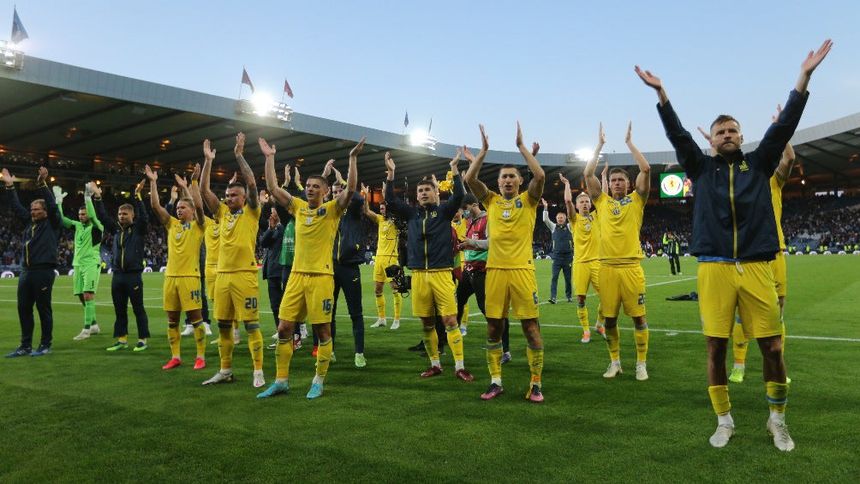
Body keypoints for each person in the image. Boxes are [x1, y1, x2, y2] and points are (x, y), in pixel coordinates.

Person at [636, 38, 832, 451]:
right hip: (714, 268)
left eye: (732, 130)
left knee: (773, 347)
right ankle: (724, 421)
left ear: (742, 136)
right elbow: (677, 135)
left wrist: (804, 77)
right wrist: (662, 94)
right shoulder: (700, 168)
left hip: (758, 266)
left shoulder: (758, 164)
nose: (726, 135)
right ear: (711, 140)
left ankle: (777, 420)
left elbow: (785, 126)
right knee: (716, 348)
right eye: (720, 131)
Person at [257, 136, 362, 400]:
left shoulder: (332, 210)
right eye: (308, 186)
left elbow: (350, 189)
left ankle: (318, 381)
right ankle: (281, 381)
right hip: (295, 277)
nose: (311, 189)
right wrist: (270, 158)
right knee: (284, 329)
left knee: (322, 331)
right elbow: (272, 187)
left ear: (325, 191)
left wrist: (352, 158)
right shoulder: (298, 207)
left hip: (321, 277)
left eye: (316, 186)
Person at [697, 123, 796, 384]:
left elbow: (789, 158)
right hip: (744, 255)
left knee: (776, 315)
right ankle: (739, 364)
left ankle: (778, 362)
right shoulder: (737, 179)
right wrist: (714, 147)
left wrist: (782, 132)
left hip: (773, 253)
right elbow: (719, 172)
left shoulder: (771, 178)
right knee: (740, 314)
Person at [463, 123, 546, 402]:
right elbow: (470, 179)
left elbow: (540, 175)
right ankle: (495, 381)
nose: (508, 180)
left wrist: (522, 148)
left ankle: (536, 384)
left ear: (519, 181)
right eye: (503, 177)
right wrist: (483, 151)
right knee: (493, 327)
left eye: (512, 176)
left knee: (531, 328)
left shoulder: (529, 200)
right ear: (498, 183)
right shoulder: (491, 201)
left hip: (522, 271)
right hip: (495, 272)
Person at [384, 150, 474, 383]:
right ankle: (435, 364)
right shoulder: (412, 214)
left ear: (436, 193)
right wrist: (391, 174)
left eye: (427, 190)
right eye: (420, 191)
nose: (423, 193)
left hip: (441, 274)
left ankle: (460, 366)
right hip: (419, 275)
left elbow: (459, 195)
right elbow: (390, 200)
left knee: (450, 321)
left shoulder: (443, 212)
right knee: (426, 323)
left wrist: (454, 169)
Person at [583, 122, 651, 381]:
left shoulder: (637, 199)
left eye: (621, 180)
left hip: (632, 268)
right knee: (609, 321)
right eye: (613, 180)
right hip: (607, 269)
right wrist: (599, 145)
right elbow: (588, 174)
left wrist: (629, 144)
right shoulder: (601, 201)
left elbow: (646, 169)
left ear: (628, 183)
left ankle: (641, 364)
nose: (617, 183)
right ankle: (615, 362)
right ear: (609, 184)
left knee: (639, 319)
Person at [200, 135, 265, 388]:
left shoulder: (252, 211)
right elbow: (204, 192)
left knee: (251, 325)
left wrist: (239, 155)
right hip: (222, 276)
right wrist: (208, 161)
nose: (228, 198)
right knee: (224, 327)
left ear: (244, 197)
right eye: (227, 195)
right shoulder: (222, 213)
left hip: (244, 275)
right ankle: (225, 370)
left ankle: (258, 371)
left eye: (233, 195)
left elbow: (252, 182)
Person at [144, 165, 207, 370]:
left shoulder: (198, 225)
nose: (179, 210)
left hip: (190, 278)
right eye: (178, 207)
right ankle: (175, 356)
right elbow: (155, 206)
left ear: (191, 211)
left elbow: (199, 207)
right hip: (170, 278)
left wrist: (191, 185)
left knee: (196, 319)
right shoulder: (171, 224)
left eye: (183, 207)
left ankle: (200, 356)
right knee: (172, 320)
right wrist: (153, 182)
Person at [2, 166, 62, 357]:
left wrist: (42, 183)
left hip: (43, 272)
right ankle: (25, 346)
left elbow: (52, 205)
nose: (33, 212)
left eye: (37, 210)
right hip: (26, 271)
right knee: (23, 309)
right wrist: (10, 186)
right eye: (32, 210)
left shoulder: (53, 223)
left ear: (45, 212)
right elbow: (16, 206)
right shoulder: (30, 223)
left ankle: (45, 344)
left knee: (43, 309)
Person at [93, 180, 152, 352]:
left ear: (132, 215)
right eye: (119, 214)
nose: (121, 216)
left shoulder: (139, 229)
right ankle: (122, 339)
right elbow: (102, 216)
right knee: (119, 310)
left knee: (138, 309)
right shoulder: (116, 230)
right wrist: (98, 197)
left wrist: (138, 196)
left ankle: (142, 340)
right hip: (117, 276)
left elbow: (144, 216)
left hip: (133, 276)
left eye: (125, 214)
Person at [328, 162, 368, 368]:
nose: (337, 194)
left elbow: (359, 198)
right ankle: (329, 350)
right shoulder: (327, 212)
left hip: (349, 267)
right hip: (329, 268)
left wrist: (344, 183)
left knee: (356, 313)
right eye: (334, 192)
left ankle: (359, 353)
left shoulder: (353, 211)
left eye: (340, 191)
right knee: (329, 313)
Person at [560, 173, 605, 344]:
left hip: (597, 263)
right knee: (581, 299)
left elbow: (604, 197)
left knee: (607, 299)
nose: (585, 203)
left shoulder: (596, 216)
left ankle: (599, 324)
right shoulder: (574, 219)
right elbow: (567, 201)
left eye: (587, 201)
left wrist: (604, 177)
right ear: (577, 205)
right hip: (580, 264)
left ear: (590, 204)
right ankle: (586, 330)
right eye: (582, 202)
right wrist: (567, 184)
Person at [62, 181, 104, 341]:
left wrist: (87, 197)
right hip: (78, 264)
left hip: (91, 263)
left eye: (84, 214)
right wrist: (58, 202)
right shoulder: (78, 226)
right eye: (80, 214)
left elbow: (93, 216)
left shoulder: (97, 226)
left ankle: (86, 330)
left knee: (87, 295)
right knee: (81, 295)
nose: (81, 216)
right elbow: (61, 220)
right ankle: (93, 325)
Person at [364, 183, 402, 330]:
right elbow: (367, 211)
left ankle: (396, 319)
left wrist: (386, 192)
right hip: (379, 258)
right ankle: (381, 319)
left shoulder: (395, 221)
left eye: (383, 208)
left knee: (395, 289)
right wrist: (365, 196)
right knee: (377, 290)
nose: (381, 210)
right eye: (380, 208)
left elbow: (393, 205)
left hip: (391, 258)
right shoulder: (380, 219)